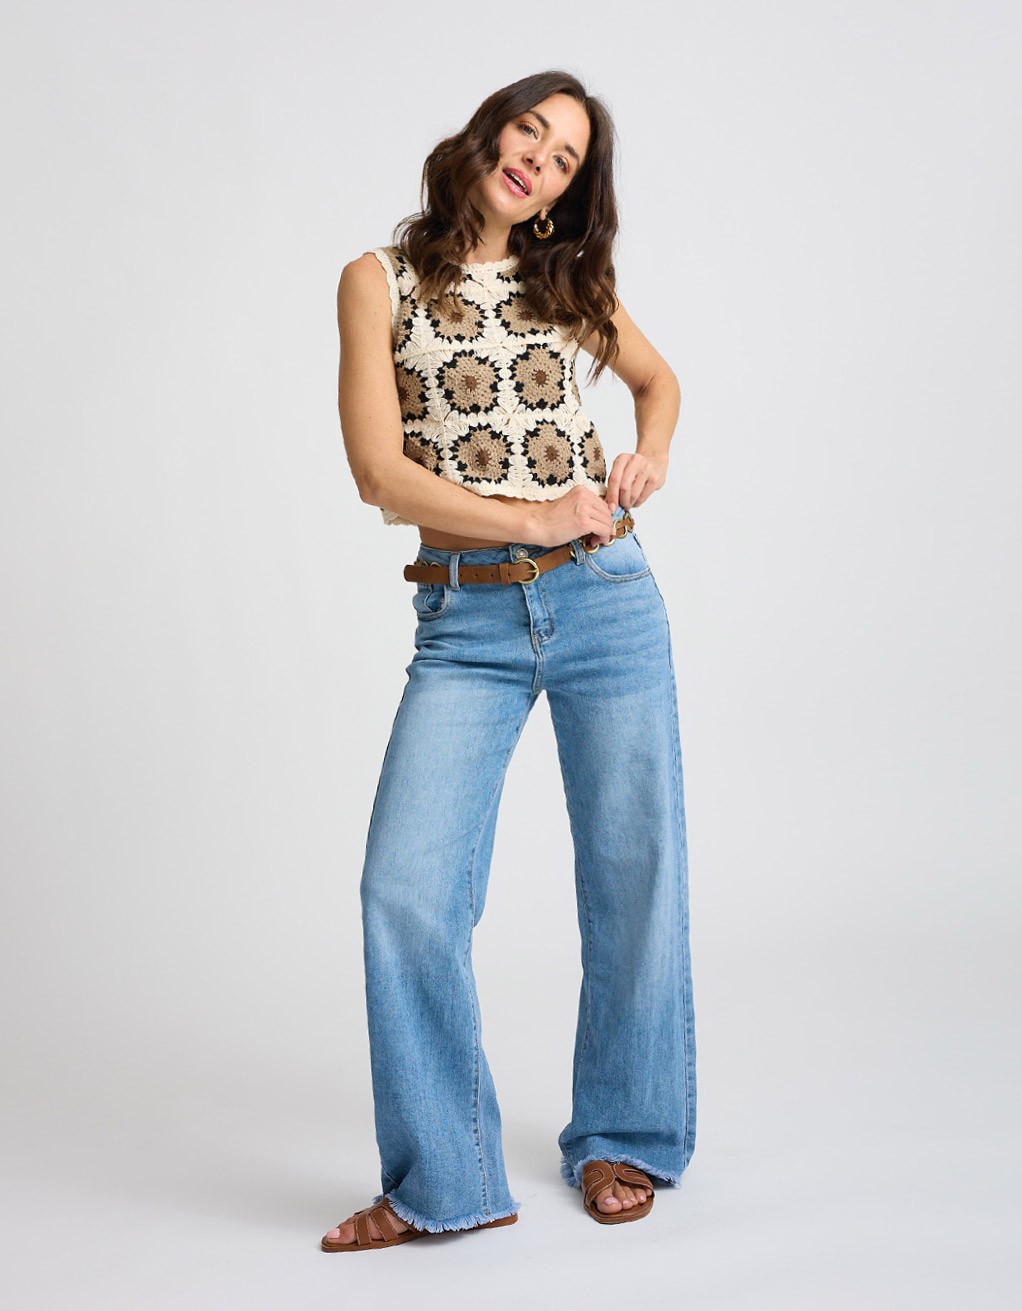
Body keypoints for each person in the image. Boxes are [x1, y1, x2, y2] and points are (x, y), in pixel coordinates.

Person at [323, 69, 696, 1253]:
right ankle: (445, 1176)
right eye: (530, 129)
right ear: (489, 134)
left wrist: (648, 454)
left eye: (567, 157)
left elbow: (657, 383)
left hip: (605, 600)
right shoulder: (378, 281)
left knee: (633, 875)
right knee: (406, 891)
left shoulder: (565, 283)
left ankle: (626, 1136)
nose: (539, 156)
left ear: (564, 195)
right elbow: (379, 476)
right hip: (467, 623)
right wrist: (529, 518)